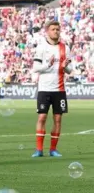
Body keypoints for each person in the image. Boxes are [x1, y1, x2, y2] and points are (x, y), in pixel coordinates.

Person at [31, 21, 72, 158]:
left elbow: (69, 70)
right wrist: (48, 64)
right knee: (42, 117)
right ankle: (39, 149)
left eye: (58, 29)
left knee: (58, 119)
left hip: (59, 89)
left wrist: (65, 66)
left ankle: (53, 149)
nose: (56, 31)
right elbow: (36, 68)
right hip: (44, 88)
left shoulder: (65, 48)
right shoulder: (41, 48)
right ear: (47, 31)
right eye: (53, 29)